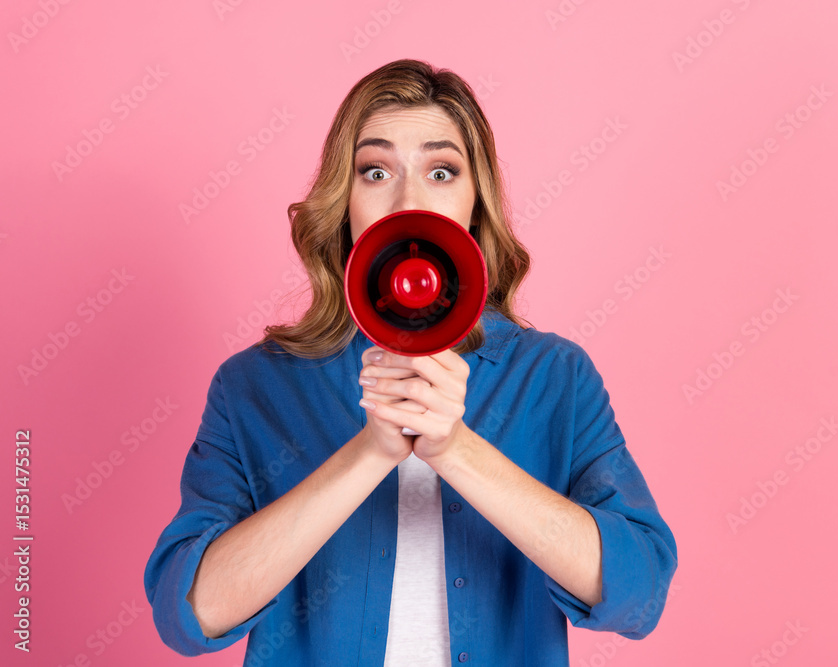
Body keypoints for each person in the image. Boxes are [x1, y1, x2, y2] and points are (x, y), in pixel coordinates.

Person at [144, 59, 677, 666]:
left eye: (441, 171)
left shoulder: (555, 377)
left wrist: (455, 449)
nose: (408, 200)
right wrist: (371, 451)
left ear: (476, 203)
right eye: (375, 171)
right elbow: (188, 614)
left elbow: (640, 594)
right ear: (343, 202)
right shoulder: (255, 385)